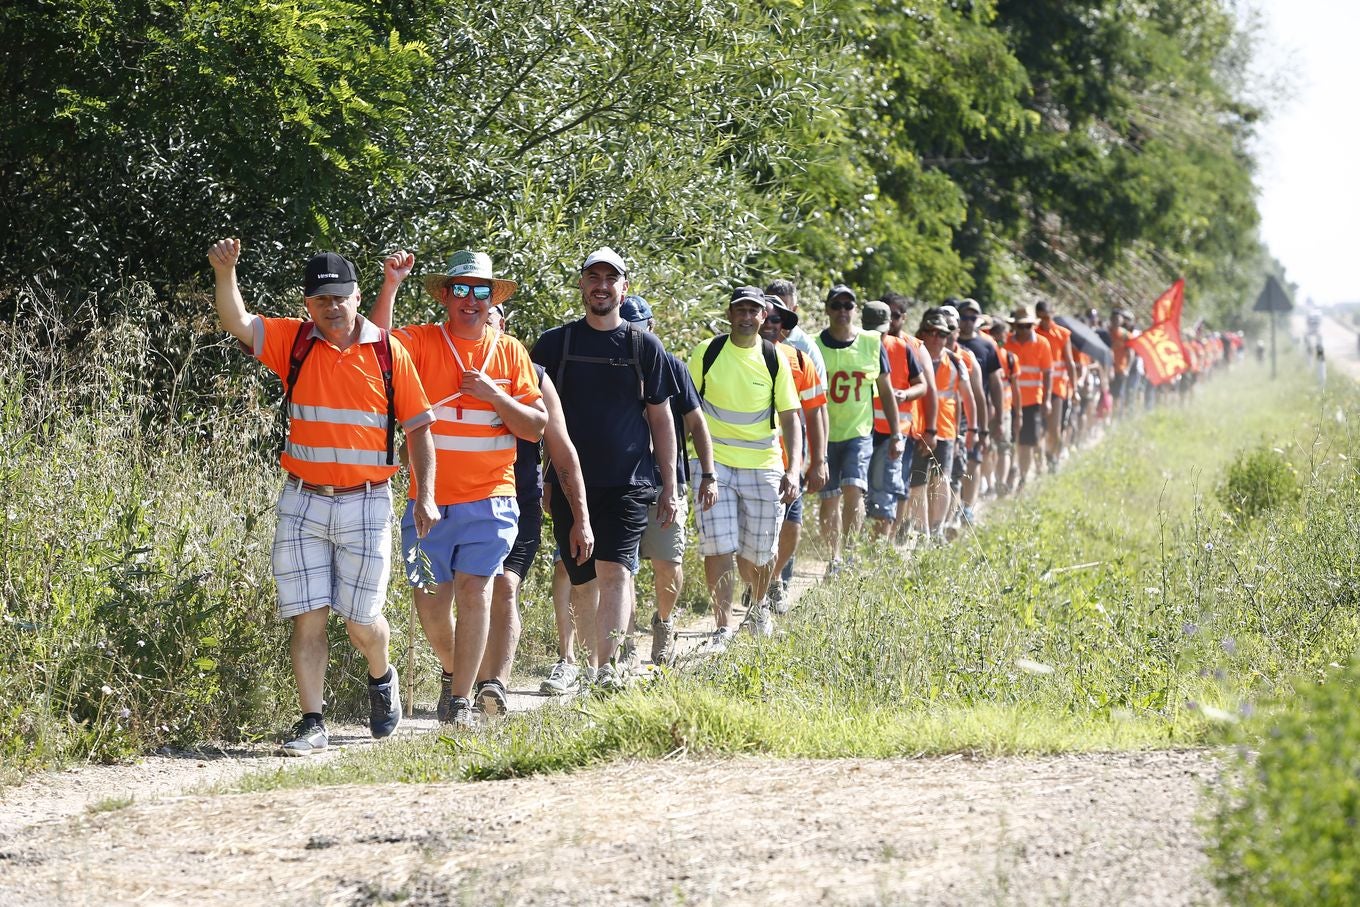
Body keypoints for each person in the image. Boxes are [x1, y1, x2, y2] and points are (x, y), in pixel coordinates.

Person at [208, 238, 439, 756]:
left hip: (367, 500)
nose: (332, 308)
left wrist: (424, 494)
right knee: (308, 615)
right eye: (321, 300)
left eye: (340, 297)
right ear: (307, 305)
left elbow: (419, 428)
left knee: (361, 622)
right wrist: (226, 272)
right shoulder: (294, 341)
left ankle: (382, 679)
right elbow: (237, 322)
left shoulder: (387, 352)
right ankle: (313, 720)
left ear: (357, 297)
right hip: (302, 500)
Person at [370, 250, 547, 727]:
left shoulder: (511, 353)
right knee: (429, 604)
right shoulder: (425, 341)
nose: (471, 300)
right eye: (462, 290)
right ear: (446, 295)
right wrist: (390, 286)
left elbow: (535, 427)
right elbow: (376, 348)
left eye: (481, 291)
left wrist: (495, 394)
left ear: (493, 299)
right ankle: (454, 672)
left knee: (476, 590)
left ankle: (462, 700)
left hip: (493, 497)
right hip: (426, 501)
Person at [531, 247, 680, 692]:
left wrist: (669, 485)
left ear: (623, 287)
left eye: (610, 278)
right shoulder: (555, 345)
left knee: (615, 571)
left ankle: (605, 673)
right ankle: (582, 662)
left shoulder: (643, 345)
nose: (601, 285)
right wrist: (537, 477)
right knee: (582, 577)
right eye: (593, 276)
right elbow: (530, 414)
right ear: (582, 284)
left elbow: (661, 419)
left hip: (628, 481)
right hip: (567, 482)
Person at [476, 304, 592, 712]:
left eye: (488, 318)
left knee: (505, 586)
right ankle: (464, 678)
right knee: (465, 594)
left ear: (502, 325)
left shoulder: (534, 376)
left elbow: (562, 452)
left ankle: (494, 685)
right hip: (459, 503)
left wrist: (580, 517)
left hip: (517, 503)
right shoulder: (449, 371)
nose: (479, 324)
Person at [689, 287, 802, 648]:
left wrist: (794, 468)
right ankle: (722, 627)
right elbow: (686, 410)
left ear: (763, 316)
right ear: (729, 313)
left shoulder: (774, 358)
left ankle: (759, 606)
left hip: (764, 466)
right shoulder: (706, 353)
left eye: (754, 311)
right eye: (740, 310)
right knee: (718, 546)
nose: (746, 317)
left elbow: (790, 416)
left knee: (761, 552)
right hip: (713, 466)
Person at [615, 295, 717, 668]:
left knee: (666, 561)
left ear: (651, 328)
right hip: (621, 481)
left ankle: (663, 623)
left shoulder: (672, 366)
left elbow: (696, 423)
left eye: (639, 330)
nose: (633, 338)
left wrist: (708, 474)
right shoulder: (610, 365)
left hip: (665, 482)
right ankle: (624, 644)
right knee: (620, 565)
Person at [815, 284, 902, 573]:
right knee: (829, 498)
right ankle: (834, 558)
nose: (842, 311)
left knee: (853, 488)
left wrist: (896, 433)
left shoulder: (870, 343)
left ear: (855, 310)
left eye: (848, 305)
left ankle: (850, 554)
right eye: (836, 305)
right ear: (827, 309)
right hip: (824, 434)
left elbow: (886, 391)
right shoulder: (814, 345)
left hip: (858, 432)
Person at [760, 293, 828, 612]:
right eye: (767, 317)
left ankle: (773, 580)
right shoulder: (735, 356)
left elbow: (814, 413)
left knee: (792, 529)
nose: (772, 325)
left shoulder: (800, 360)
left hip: (790, 463)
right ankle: (759, 589)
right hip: (752, 462)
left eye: (778, 320)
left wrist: (817, 461)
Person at [863, 300, 926, 538]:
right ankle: (858, 546)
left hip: (894, 432)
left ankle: (879, 548)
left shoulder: (902, 348)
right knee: (860, 490)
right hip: (861, 430)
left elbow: (922, 386)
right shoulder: (856, 345)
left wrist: (905, 394)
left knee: (886, 490)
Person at [1005, 305, 1054, 487]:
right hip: (1009, 401)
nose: (1024, 330)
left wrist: (1047, 400)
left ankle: (1023, 477)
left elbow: (1048, 372)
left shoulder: (1042, 343)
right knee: (1010, 441)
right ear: (1014, 326)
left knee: (1027, 442)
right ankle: (1011, 471)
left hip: (1033, 401)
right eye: (1020, 326)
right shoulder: (1006, 342)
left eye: (1028, 326)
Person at [1035, 300, 1078, 471]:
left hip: (1058, 388)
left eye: (1048, 316)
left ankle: (1053, 458)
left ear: (1053, 314)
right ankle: (1040, 463)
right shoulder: (1033, 333)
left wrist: (1074, 390)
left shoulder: (1062, 334)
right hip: (1038, 387)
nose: (1045, 320)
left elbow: (1069, 363)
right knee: (1039, 429)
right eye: (1042, 317)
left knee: (1054, 429)